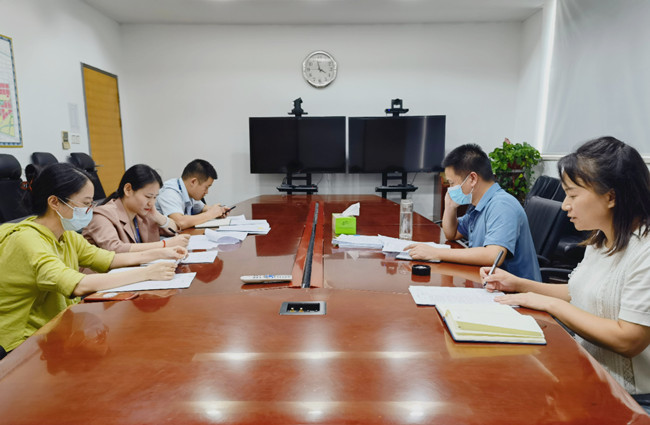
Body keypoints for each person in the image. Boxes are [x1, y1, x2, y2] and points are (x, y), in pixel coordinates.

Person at [482, 137, 650, 410]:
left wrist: (551, 305)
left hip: (629, 399)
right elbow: (578, 291)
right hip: (588, 372)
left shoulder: (645, 252)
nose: (564, 205)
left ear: (611, 197)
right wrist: (517, 284)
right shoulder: (601, 239)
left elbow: (628, 339)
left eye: (572, 195)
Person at [0, 163, 187, 358]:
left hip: (54, 328)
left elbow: (107, 258)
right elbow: (78, 285)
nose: (90, 210)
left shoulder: (66, 235)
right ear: (54, 202)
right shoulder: (27, 240)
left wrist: (162, 253)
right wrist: (147, 273)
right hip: (20, 344)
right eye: (85, 203)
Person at [406, 143, 541, 280]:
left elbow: (493, 256)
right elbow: (452, 233)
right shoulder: (478, 204)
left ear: (472, 179)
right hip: (488, 281)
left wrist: (436, 253)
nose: (450, 189)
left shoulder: (502, 205)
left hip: (516, 290)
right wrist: (450, 207)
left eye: (452, 183)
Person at [83, 164, 190, 253]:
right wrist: (164, 244)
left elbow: (173, 230)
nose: (151, 203)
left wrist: (157, 216)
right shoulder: (101, 216)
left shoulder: (141, 213)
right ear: (128, 189)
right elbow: (115, 249)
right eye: (148, 196)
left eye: (155, 197)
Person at [155, 159, 228, 230]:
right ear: (193, 182)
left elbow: (202, 208)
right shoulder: (170, 192)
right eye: (206, 187)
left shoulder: (188, 191)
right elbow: (180, 222)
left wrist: (219, 210)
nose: (207, 192)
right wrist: (210, 214)